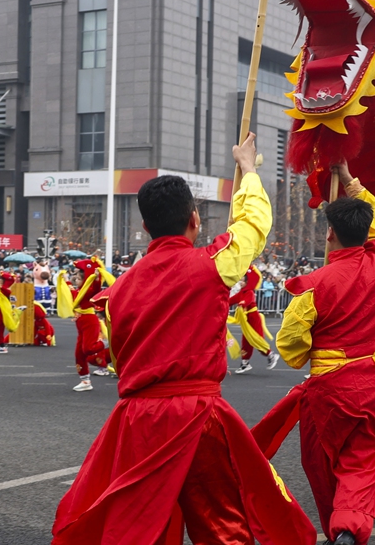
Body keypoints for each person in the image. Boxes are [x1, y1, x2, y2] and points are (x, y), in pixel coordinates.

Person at [52, 133, 315, 545]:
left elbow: (122, 360)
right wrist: (248, 170)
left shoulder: (118, 290)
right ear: (194, 220)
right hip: (197, 414)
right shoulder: (211, 263)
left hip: (137, 420)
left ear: (143, 226)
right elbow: (253, 227)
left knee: (137, 525)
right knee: (222, 523)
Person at [273, 163, 375, 545]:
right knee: (361, 461)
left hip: (329, 389)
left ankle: (337, 526)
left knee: (321, 463)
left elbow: (291, 345)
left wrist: (310, 353)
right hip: (374, 382)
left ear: (329, 233)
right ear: (365, 234)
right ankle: (349, 525)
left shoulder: (314, 284)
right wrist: (353, 181)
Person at [61, 258, 112, 392]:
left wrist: (95, 277)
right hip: (81, 324)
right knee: (79, 354)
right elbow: (69, 290)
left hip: (89, 322)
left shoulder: (88, 291)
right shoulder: (78, 292)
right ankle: (85, 380)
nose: (76, 280)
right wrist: (64, 279)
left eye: (78, 278)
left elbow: (96, 288)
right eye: (76, 278)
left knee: (88, 349)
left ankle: (107, 342)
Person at [230, 265, 280, 373]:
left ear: (247, 282)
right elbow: (230, 301)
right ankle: (245, 363)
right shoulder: (241, 293)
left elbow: (247, 301)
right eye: (241, 280)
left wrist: (241, 304)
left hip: (254, 319)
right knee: (246, 341)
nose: (241, 282)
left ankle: (271, 355)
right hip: (246, 321)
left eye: (243, 280)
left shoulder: (249, 292)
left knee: (257, 339)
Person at [0, 272, 17, 353]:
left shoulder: (4, 288)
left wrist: (0, 287)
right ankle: (2, 346)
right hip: (1, 312)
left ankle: (2, 346)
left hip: (3, 312)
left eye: (1, 279)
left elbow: (8, 292)